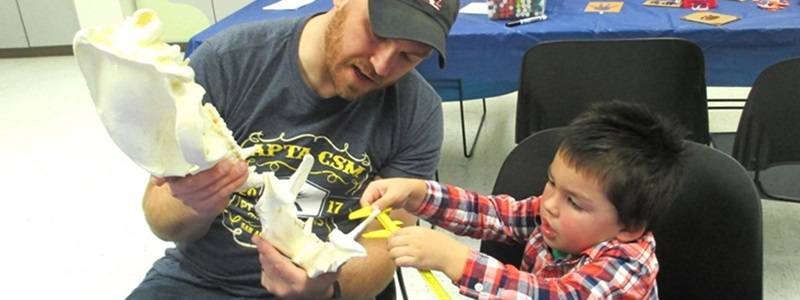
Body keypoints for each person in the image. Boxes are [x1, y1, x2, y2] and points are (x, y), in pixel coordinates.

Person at [127, 0, 460, 299]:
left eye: (409, 56)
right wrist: (195, 204)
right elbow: (161, 219)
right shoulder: (228, 61)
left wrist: (326, 288)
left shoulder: (417, 111)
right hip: (203, 280)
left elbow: (385, 244)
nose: (382, 65)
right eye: (377, 32)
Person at [360, 101, 688, 299]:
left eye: (574, 202)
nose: (549, 203)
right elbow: (493, 214)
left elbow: (557, 296)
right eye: (551, 182)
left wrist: (457, 260)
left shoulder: (625, 266)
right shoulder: (553, 215)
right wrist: (418, 194)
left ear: (629, 227)